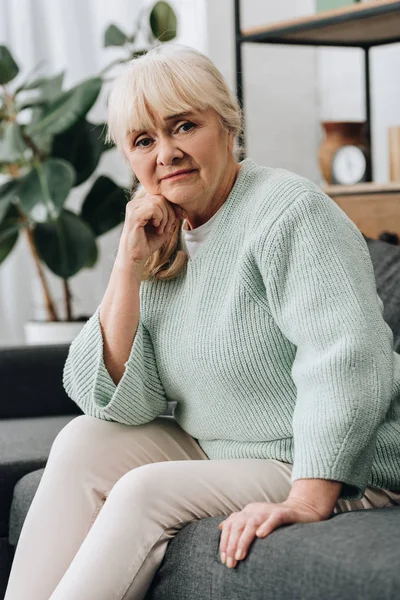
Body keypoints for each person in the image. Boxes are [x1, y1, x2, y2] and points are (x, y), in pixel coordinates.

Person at [5, 43, 400, 600]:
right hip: (228, 448)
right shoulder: (164, 233)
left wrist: (307, 498)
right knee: (83, 442)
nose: (166, 153)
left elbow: (347, 354)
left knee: (143, 491)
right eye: (144, 141)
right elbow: (117, 400)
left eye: (183, 126)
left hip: (330, 457)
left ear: (227, 125)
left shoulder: (289, 211)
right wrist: (127, 265)